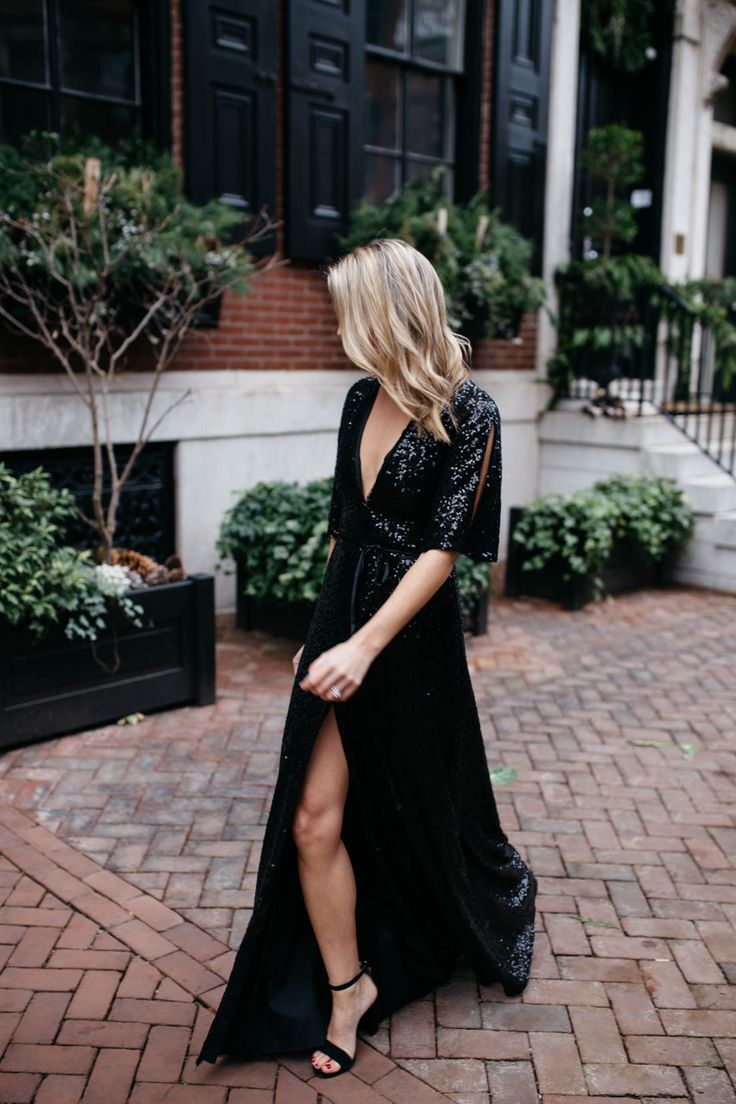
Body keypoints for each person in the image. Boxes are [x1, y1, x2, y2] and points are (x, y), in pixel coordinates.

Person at [197, 238, 537, 1078]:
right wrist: (322, 636)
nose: (338, 320)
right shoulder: (359, 398)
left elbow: (446, 548)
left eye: (348, 305)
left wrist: (362, 645)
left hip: (406, 640)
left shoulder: (473, 410)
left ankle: (462, 913)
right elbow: (344, 527)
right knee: (313, 821)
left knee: (421, 804)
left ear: (389, 308)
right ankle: (350, 988)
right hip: (343, 617)